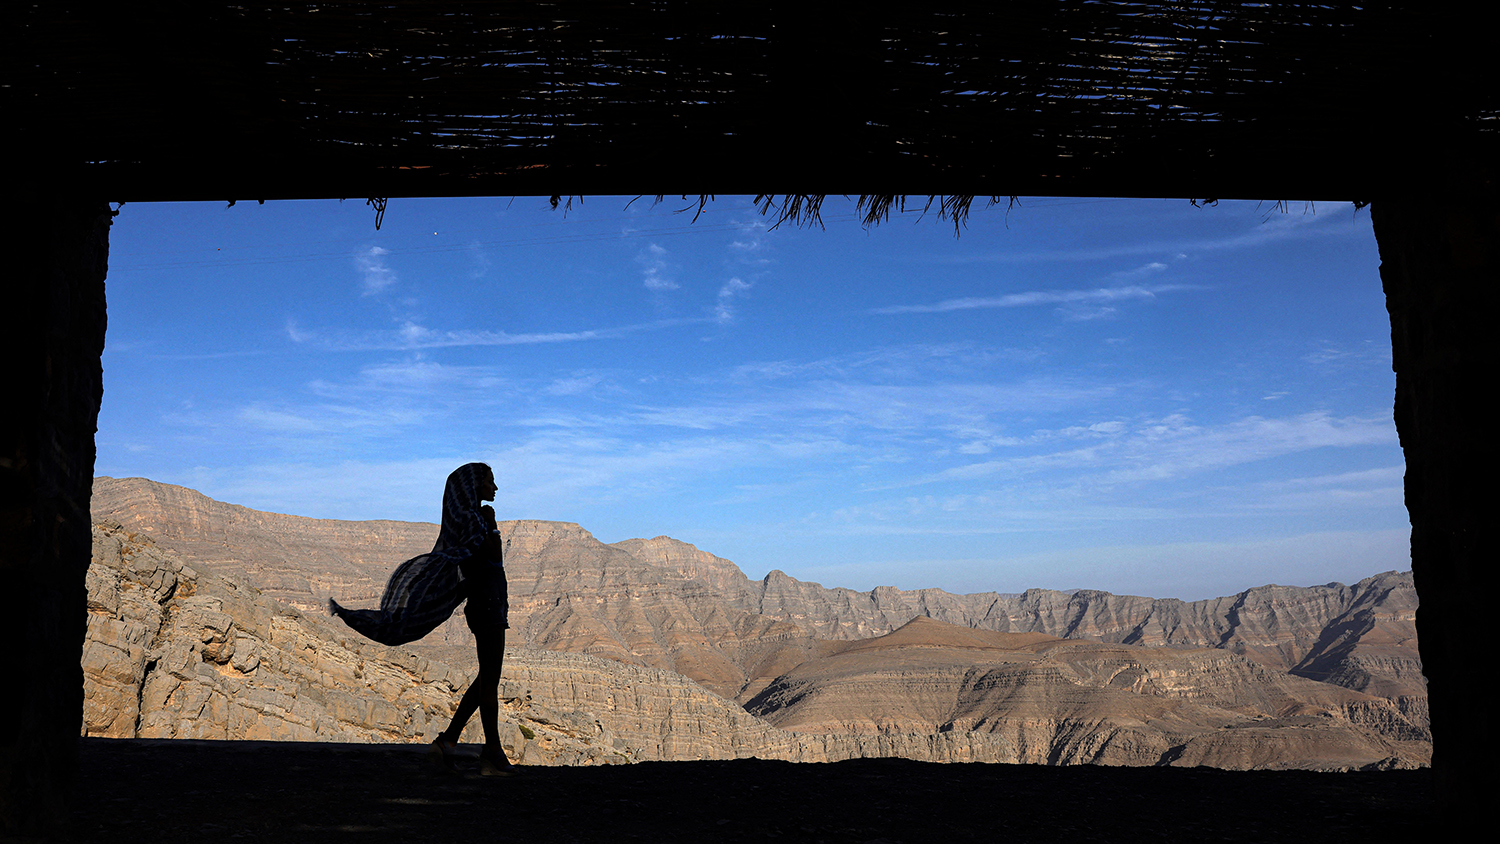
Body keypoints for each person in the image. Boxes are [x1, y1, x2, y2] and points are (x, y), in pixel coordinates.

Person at [329, 462, 515, 776]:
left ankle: (447, 744)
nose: (495, 488)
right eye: (490, 482)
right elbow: (484, 559)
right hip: (486, 607)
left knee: (487, 678)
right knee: (490, 680)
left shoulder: (474, 519)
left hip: (491, 605)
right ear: (474, 486)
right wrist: (492, 526)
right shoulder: (474, 520)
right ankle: (492, 754)